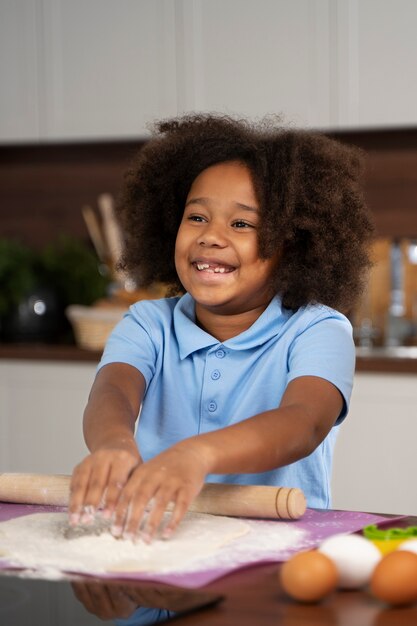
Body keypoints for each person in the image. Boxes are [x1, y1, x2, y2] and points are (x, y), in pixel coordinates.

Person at [69, 114, 373, 545]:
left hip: (274, 555)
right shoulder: (148, 323)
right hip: (156, 541)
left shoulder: (318, 330)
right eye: (196, 217)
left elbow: (302, 423)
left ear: (292, 245)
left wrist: (198, 454)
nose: (211, 237)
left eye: (241, 224)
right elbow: (113, 392)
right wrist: (114, 444)